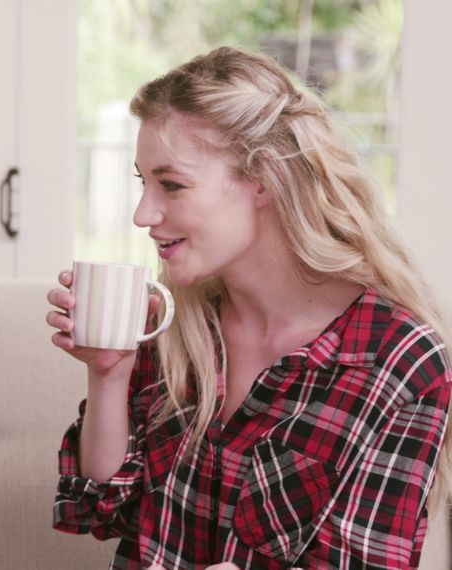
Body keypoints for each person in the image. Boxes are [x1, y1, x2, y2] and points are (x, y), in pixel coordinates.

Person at [46, 47, 451, 568]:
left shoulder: (398, 361)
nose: (143, 213)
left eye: (171, 184)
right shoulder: (175, 325)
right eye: (142, 183)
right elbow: (101, 513)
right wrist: (108, 375)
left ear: (263, 180)